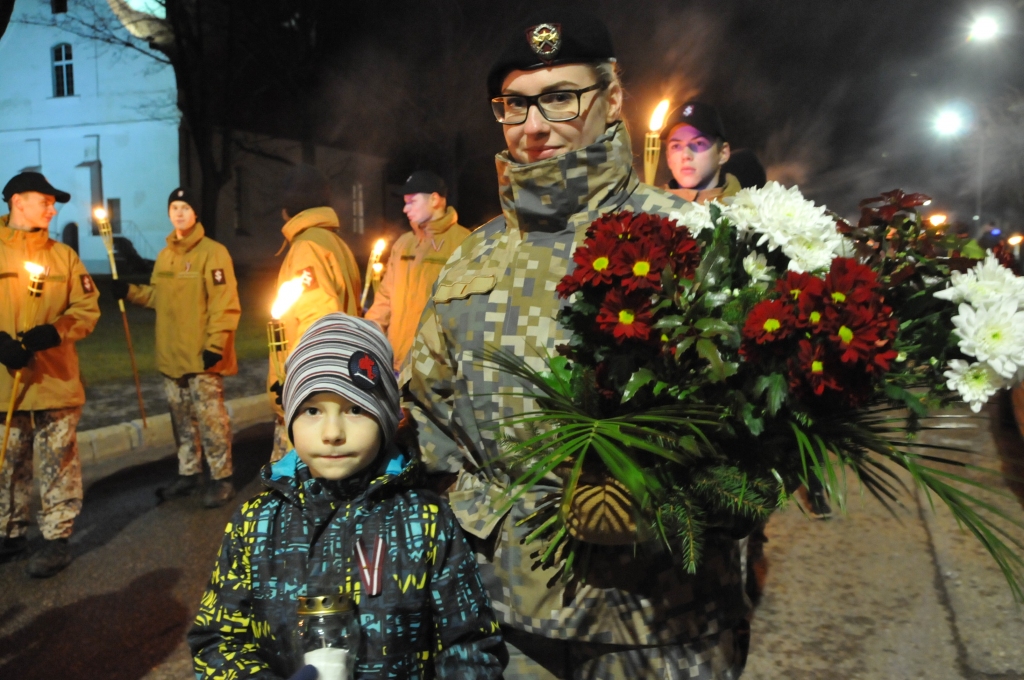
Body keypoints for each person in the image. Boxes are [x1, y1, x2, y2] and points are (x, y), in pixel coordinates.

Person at [406, 10, 750, 679]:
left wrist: (663, 500)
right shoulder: (473, 257)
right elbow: (430, 420)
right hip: (502, 620)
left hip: (656, 622)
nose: (534, 126)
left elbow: (762, 447)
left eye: (561, 97)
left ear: (613, 96)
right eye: (515, 104)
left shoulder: (691, 241)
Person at [189, 313, 507, 679]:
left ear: (386, 417)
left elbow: (468, 644)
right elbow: (216, 641)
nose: (332, 432)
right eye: (312, 410)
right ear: (290, 417)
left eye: (355, 409)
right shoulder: (257, 523)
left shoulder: (425, 521)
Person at [113, 188, 241, 508]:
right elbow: (159, 296)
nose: (179, 213)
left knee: (211, 420)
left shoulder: (213, 253)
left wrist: (215, 344)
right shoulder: (166, 255)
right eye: (174, 207)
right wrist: (129, 291)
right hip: (171, 356)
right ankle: (188, 473)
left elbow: (225, 303)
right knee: (181, 420)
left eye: (185, 207)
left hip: (201, 355)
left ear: (196, 213)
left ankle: (221, 477)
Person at [0, 172, 100, 577]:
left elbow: (87, 308)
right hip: (7, 384)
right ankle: (10, 533)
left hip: (55, 382)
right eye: (46, 201)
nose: (53, 208)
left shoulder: (64, 257)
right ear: (17, 202)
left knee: (58, 463)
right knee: (9, 462)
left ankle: (56, 539)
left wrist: (55, 331)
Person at [268, 164, 362, 463]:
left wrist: (299, 378)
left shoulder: (307, 247)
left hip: (309, 391)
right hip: (336, 379)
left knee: (294, 482)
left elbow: (317, 320)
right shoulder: (334, 243)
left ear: (289, 206)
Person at [365, 171, 471, 372]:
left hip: (440, 370)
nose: (405, 209)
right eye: (405, 202)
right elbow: (385, 299)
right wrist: (368, 335)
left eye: (412, 201)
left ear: (434, 199)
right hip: (399, 364)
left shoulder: (464, 243)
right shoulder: (404, 244)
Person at [663, 101, 741, 204]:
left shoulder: (749, 213)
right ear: (668, 158)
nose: (686, 155)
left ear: (723, 153)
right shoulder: (646, 212)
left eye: (699, 143)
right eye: (676, 146)